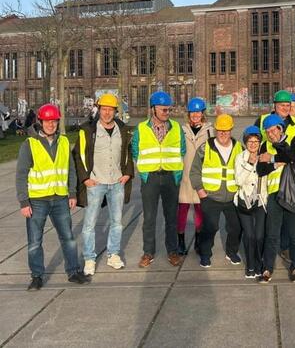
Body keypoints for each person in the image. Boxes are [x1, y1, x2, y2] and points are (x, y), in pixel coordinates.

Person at [15, 103, 90, 290]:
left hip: (60, 199)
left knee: (68, 238)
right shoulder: (29, 144)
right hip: (37, 200)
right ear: (40, 122)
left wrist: (72, 193)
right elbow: (21, 174)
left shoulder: (63, 142)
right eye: (47, 121)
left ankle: (73, 271)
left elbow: (71, 169)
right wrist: (24, 202)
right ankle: (37, 276)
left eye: (54, 121)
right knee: (35, 241)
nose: (51, 125)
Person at [73, 93, 134, 275]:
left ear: (116, 111)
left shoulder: (123, 130)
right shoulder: (87, 130)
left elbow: (128, 152)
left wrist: (128, 173)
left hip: (116, 182)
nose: (107, 113)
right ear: (99, 110)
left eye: (110, 110)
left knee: (117, 222)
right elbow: (78, 155)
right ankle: (89, 258)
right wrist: (85, 179)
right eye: (104, 109)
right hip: (96, 182)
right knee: (89, 224)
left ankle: (113, 254)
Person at [132, 91, 186, 268]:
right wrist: (144, 172)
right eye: (163, 109)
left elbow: (182, 150)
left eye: (168, 109)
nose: (166, 112)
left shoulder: (176, 128)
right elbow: (135, 151)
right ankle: (148, 252)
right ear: (153, 109)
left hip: (171, 178)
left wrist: (177, 173)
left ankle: (172, 251)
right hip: (150, 178)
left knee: (171, 218)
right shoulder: (141, 128)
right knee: (149, 218)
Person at [257, 114, 295, 283]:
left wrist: (271, 158)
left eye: (273, 130)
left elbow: (293, 157)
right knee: (271, 234)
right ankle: (267, 268)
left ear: (280, 128)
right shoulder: (265, 145)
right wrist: (275, 164)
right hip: (274, 195)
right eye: (267, 132)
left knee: (294, 234)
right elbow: (261, 169)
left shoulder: (293, 140)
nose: (271, 134)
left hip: (291, 194)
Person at [189, 114, 243, 268]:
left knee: (236, 227)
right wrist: (200, 191)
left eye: (226, 130)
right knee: (210, 227)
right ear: (215, 130)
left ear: (231, 130)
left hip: (232, 197)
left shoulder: (239, 147)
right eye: (220, 130)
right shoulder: (205, 147)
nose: (223, 134)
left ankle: (231, 252)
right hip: (211, 197)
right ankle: (205, 254)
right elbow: (194, 171)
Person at [177, 97, 213, 256]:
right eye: (193, 112)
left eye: (198, 112)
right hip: (184, 176)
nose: (196, 115)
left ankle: (198, 241)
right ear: (189, 114)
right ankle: (180, 241)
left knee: (200, 211)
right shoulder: (181, 130)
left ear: (203, 113)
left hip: (201, 177)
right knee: (182, 210)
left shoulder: (210, 131)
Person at [234, 125, 268, 278]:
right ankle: (250, 265)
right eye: (250, 141)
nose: (253, 144)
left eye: (256, 141)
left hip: (260, 201)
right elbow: (239, 181)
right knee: (249, 235)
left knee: (260, 236)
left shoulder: (264, 156)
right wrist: (249, 164)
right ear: (245, 142)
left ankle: (259, 263)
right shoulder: (240, 157)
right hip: (245, 200)